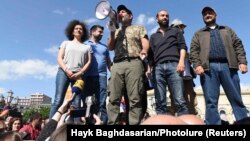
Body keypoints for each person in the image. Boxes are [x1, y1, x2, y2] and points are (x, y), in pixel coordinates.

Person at [190, 6, 249, 125]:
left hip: (229, 67)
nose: (207, 15)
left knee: (236, 98)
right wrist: (197, 65)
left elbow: (238, 45)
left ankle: (243, 123)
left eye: (210, 13)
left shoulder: (227, 30)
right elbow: (194, 51)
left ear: (215, 15)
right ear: (203, 17)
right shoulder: (198, 34)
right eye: (205, 14)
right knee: (211, 101)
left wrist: (242, 61)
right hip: (208, 69)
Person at [107, 4, 149, 125]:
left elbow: (145, 41)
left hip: (134, 62)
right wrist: (112, 31)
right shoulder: (116, 30)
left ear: (130, 16)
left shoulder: (138, 27)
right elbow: (110, 47)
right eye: (119, 12)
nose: (120, 13)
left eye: (123, 12)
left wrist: (144, 50)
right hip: (118, 64)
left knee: (134, 97)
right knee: (114, 98)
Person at [147, 10, 189, 116]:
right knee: (160, 101)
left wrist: (181, 62)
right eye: (162, 15)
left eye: (167, 16)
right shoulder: (153, 36)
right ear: (157, 19)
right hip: (158, 68)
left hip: (174, 65)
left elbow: (183, 47)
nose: (165, 17)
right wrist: (148, 68)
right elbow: (150, 55)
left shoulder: (175, 31)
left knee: (179, 99)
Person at [49, 20, 92, 118]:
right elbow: (59, 58)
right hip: (63, 73)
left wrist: (80, 72)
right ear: (72, 31)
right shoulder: (65, 43)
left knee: (77, 102)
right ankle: (51, 126)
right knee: (58, 100)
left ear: (83, 32)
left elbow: (89, 62)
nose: (78, 30)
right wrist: (66, 69)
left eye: (81, 29)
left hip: (79, 75)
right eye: (76, 28)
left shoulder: (87, 47)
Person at [84, 25, 111, 125]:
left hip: (102, 77)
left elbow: (108, 62)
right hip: (87, 77)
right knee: (88, 103)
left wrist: (113, 73)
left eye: (102, 32)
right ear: (92, 32)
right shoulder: (84, 45)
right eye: (100, 31)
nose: (102, 33)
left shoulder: (104, 47)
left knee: (102, 103)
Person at [170, 19, 198, 115]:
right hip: (175, 73)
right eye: (178, 27)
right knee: (176, 97)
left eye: (181, 27)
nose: (181, 29)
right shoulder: (170, 41)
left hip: (187, 76)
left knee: (190, 98)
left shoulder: (182, 40)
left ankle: (190, 117)